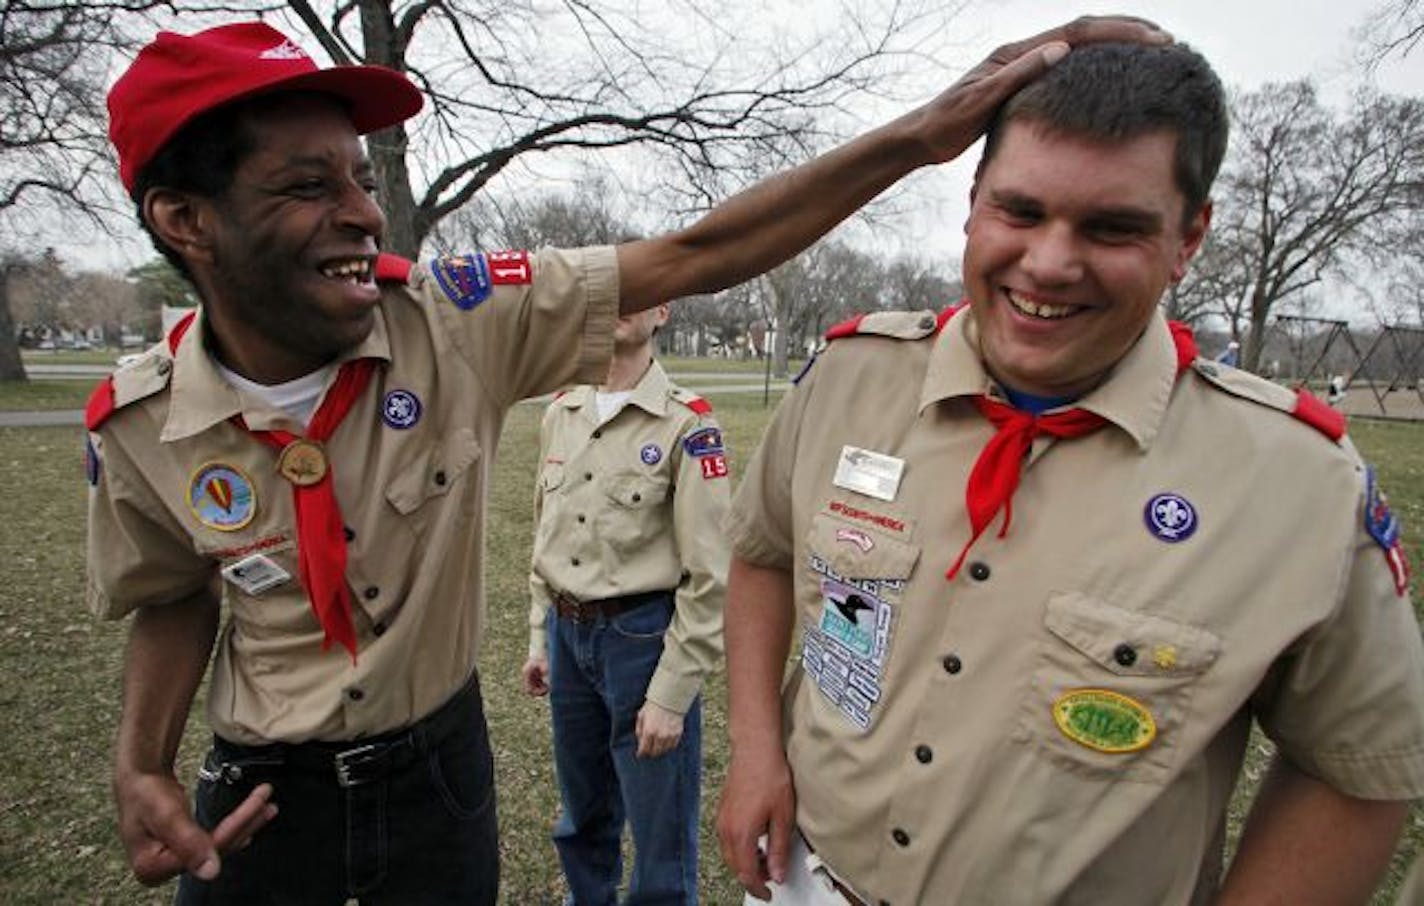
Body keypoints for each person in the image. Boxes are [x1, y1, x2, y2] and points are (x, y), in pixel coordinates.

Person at [84, 15, 1169, 904]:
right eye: (304, 187)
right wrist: (142, 763)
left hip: (437, 776)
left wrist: (922, 137)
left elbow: (696, 254)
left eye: (359, 178)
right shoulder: (133, 424)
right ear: (186, 221)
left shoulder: (454, 322)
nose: (363, 213)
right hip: (261, 793)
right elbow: (174, 593)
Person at [716, 40, 1424, 906]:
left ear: (1188, 237)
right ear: (973, 205)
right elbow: (764, 554)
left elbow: (1354, 770)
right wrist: (756, 748)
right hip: (806, 880)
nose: (1049, 263)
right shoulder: (851, 378)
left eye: (1111, 227)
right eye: (1019, 211)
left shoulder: (1299, 485)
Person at [521, 303, 729, 904]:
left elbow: (709, 575)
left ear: (662, 311)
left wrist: (671, 694)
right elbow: (545, 538)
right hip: (567, 634)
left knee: (660, 836)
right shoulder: (562, 412)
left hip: (641, 643)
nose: (619, 304)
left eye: (641, 293)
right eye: (610, 289)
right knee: (583, 818)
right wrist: (540, 637)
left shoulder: (687, 425)